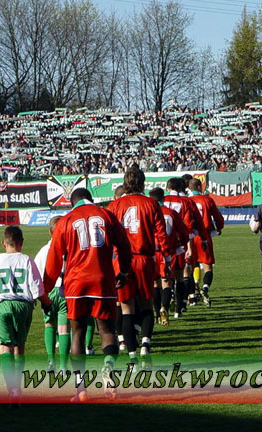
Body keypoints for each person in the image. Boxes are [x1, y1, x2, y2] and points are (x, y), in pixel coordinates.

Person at [43, 188, 131, 401]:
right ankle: (109, 371)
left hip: (76, 285)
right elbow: (125, 246)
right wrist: (124, 271)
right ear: (90, 199)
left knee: (78, 333)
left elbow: (53, 262)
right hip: (103, 280)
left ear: (71, 202)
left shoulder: (65, 221)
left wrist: (44, 291)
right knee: (107, 330)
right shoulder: (106, 215)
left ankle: (80, 388)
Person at [0, 225, 52, 403]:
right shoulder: (26, 260)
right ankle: (18, 386)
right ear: (21, 242)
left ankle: (12, 389)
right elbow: (37, 288)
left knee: (5, 347)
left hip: (2, 305)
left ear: (3, 243)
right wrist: (48, 304)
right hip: (23, 306)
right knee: (19, 347)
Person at [108, 167, 169, 364]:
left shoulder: (115, 205)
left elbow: (108, 237)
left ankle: (132, 354)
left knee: (126, 308)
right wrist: (165, 260)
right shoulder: (151, 204)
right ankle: (145, 345)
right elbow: (161, 235)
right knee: (146, 304)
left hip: (122, 261)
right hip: (144, 259)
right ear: (143, 183)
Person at [149, 187, 187, 325]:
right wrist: (183, 244)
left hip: (152, 252)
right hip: (167, 251)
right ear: (163, 198)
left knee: (155, 283)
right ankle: (165, 307)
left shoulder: (148, 212)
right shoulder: (171, 213)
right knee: (167, 282)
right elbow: (183, 231)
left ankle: (157, 313)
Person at [163, 177, 201, 315]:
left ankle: (164, 308)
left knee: (163, 278)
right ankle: (180, 307)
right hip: (178, 243)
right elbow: (188, 226)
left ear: (168, 187)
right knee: (180, 275)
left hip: (161, 243)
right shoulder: (186, 202)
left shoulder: (162, 201)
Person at [34, 233, 69, 374]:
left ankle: (51, 361)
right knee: (64, 329)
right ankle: (63, 367)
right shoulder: (68, 248)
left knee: (49, 324)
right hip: (64, 290)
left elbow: (36, 272)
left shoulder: (44, 250)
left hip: (48, 290)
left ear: (49, 232)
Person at [187, 177, 224, 306]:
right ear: (199, 187)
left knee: (190, 267)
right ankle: (205, 288)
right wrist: (219, 227)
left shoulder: (187, 201)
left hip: (190, 237)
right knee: (208, 267)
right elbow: (218, 217)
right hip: (204, 236)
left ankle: (191, 295)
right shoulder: (207, 200)